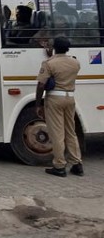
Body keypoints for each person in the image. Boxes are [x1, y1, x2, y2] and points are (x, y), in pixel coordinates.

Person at [36, 37, 83, 178]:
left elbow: (41, 84)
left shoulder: (49, 63)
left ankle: (59, 165)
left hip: (55, 98)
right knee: (71, 132)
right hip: (70, 97)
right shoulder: (75, 62)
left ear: (54, 47)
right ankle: (77, 164)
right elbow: (62, 66)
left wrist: (38, 103)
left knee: (57, 133)